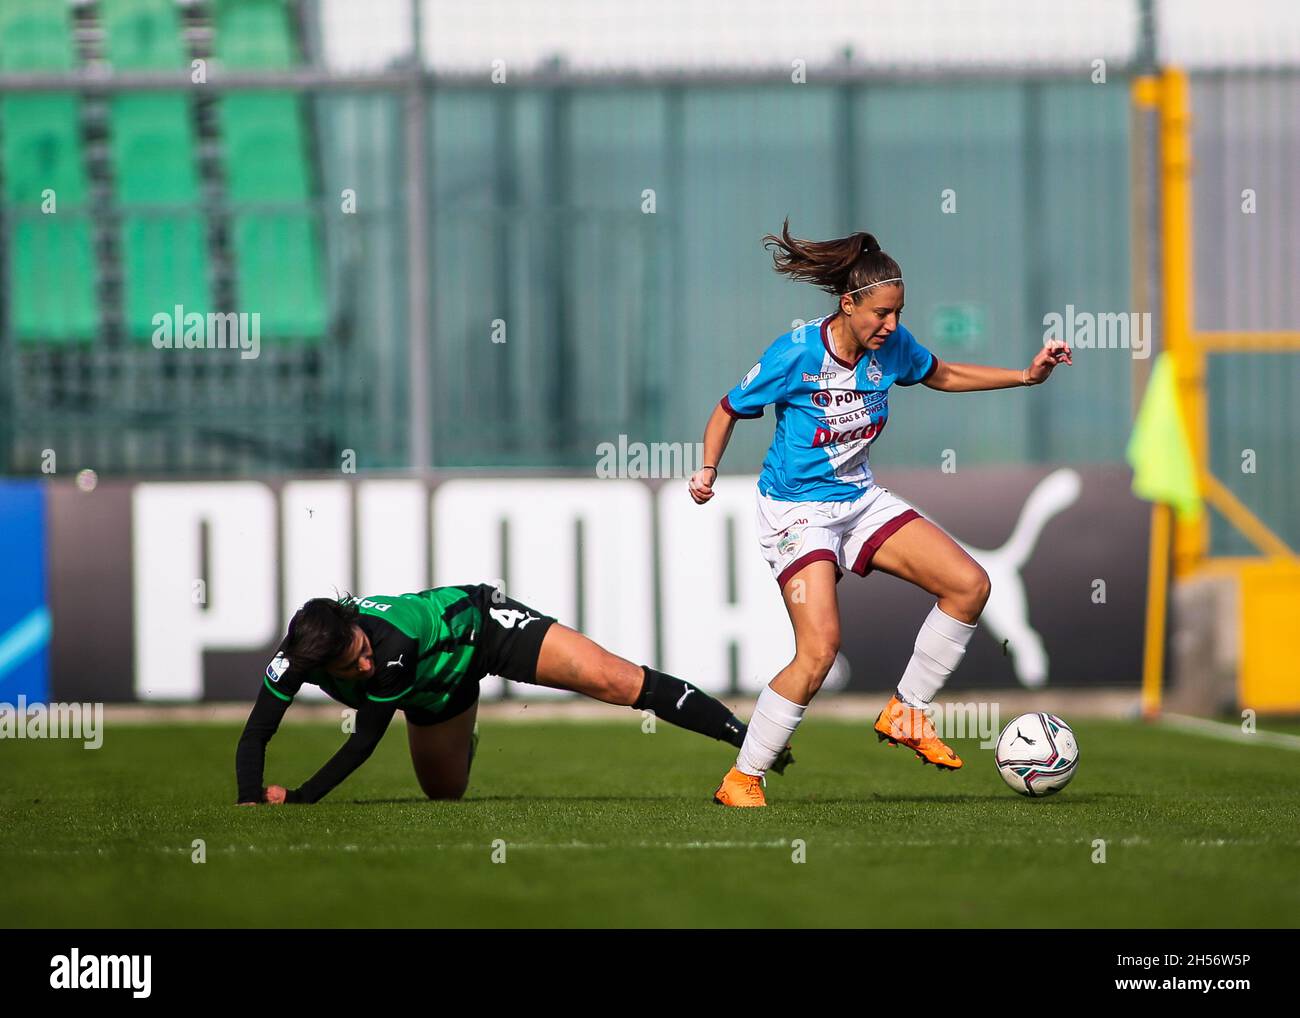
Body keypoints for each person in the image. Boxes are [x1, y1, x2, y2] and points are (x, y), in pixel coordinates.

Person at [690, 222, 1071, 807]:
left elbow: (941, 373)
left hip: (859, 499)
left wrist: (1025, 375)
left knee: (969, 585)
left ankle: (907, 713)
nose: (891, 326)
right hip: (796, 512)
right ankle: (743, 778)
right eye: (881, 314)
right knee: (818, 651)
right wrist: (708, 469)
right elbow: (727, 409)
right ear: (848, 304)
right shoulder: (794, 352)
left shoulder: (890, 347)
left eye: (898, 313)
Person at [235, 583, 791, 804]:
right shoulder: (295, 660)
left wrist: (303, 798)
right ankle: (465, 724)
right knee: (445, 795)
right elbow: (259, 727)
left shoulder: (393, 645)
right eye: (351, 662)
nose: (365, 659)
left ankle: (747, 739)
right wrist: (248, 796)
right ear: (313, 665)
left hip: (487, 629)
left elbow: (363, 742)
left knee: (617, 682)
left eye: (361, 645)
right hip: (439, 692)